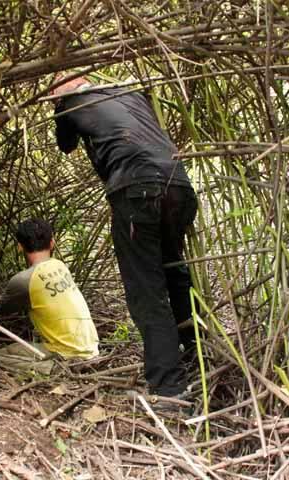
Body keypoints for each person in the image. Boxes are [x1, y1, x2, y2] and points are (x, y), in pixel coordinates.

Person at [51, 75, 198, 398]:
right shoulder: (129, 94)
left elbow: (65, 145)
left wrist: (60, 105)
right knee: (175, 271)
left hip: (136, 189)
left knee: (147, 290)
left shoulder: (71, 103)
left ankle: (169, 390)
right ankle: (196, 355)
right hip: (180, 186)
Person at [0, 219, 99, 370]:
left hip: (66, 352)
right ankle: (72, 361)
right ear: (52, 243)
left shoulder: (23, 280)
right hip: (91, 348)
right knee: (19, 349)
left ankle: (52, 369)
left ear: (19, 247)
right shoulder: (60, 265)